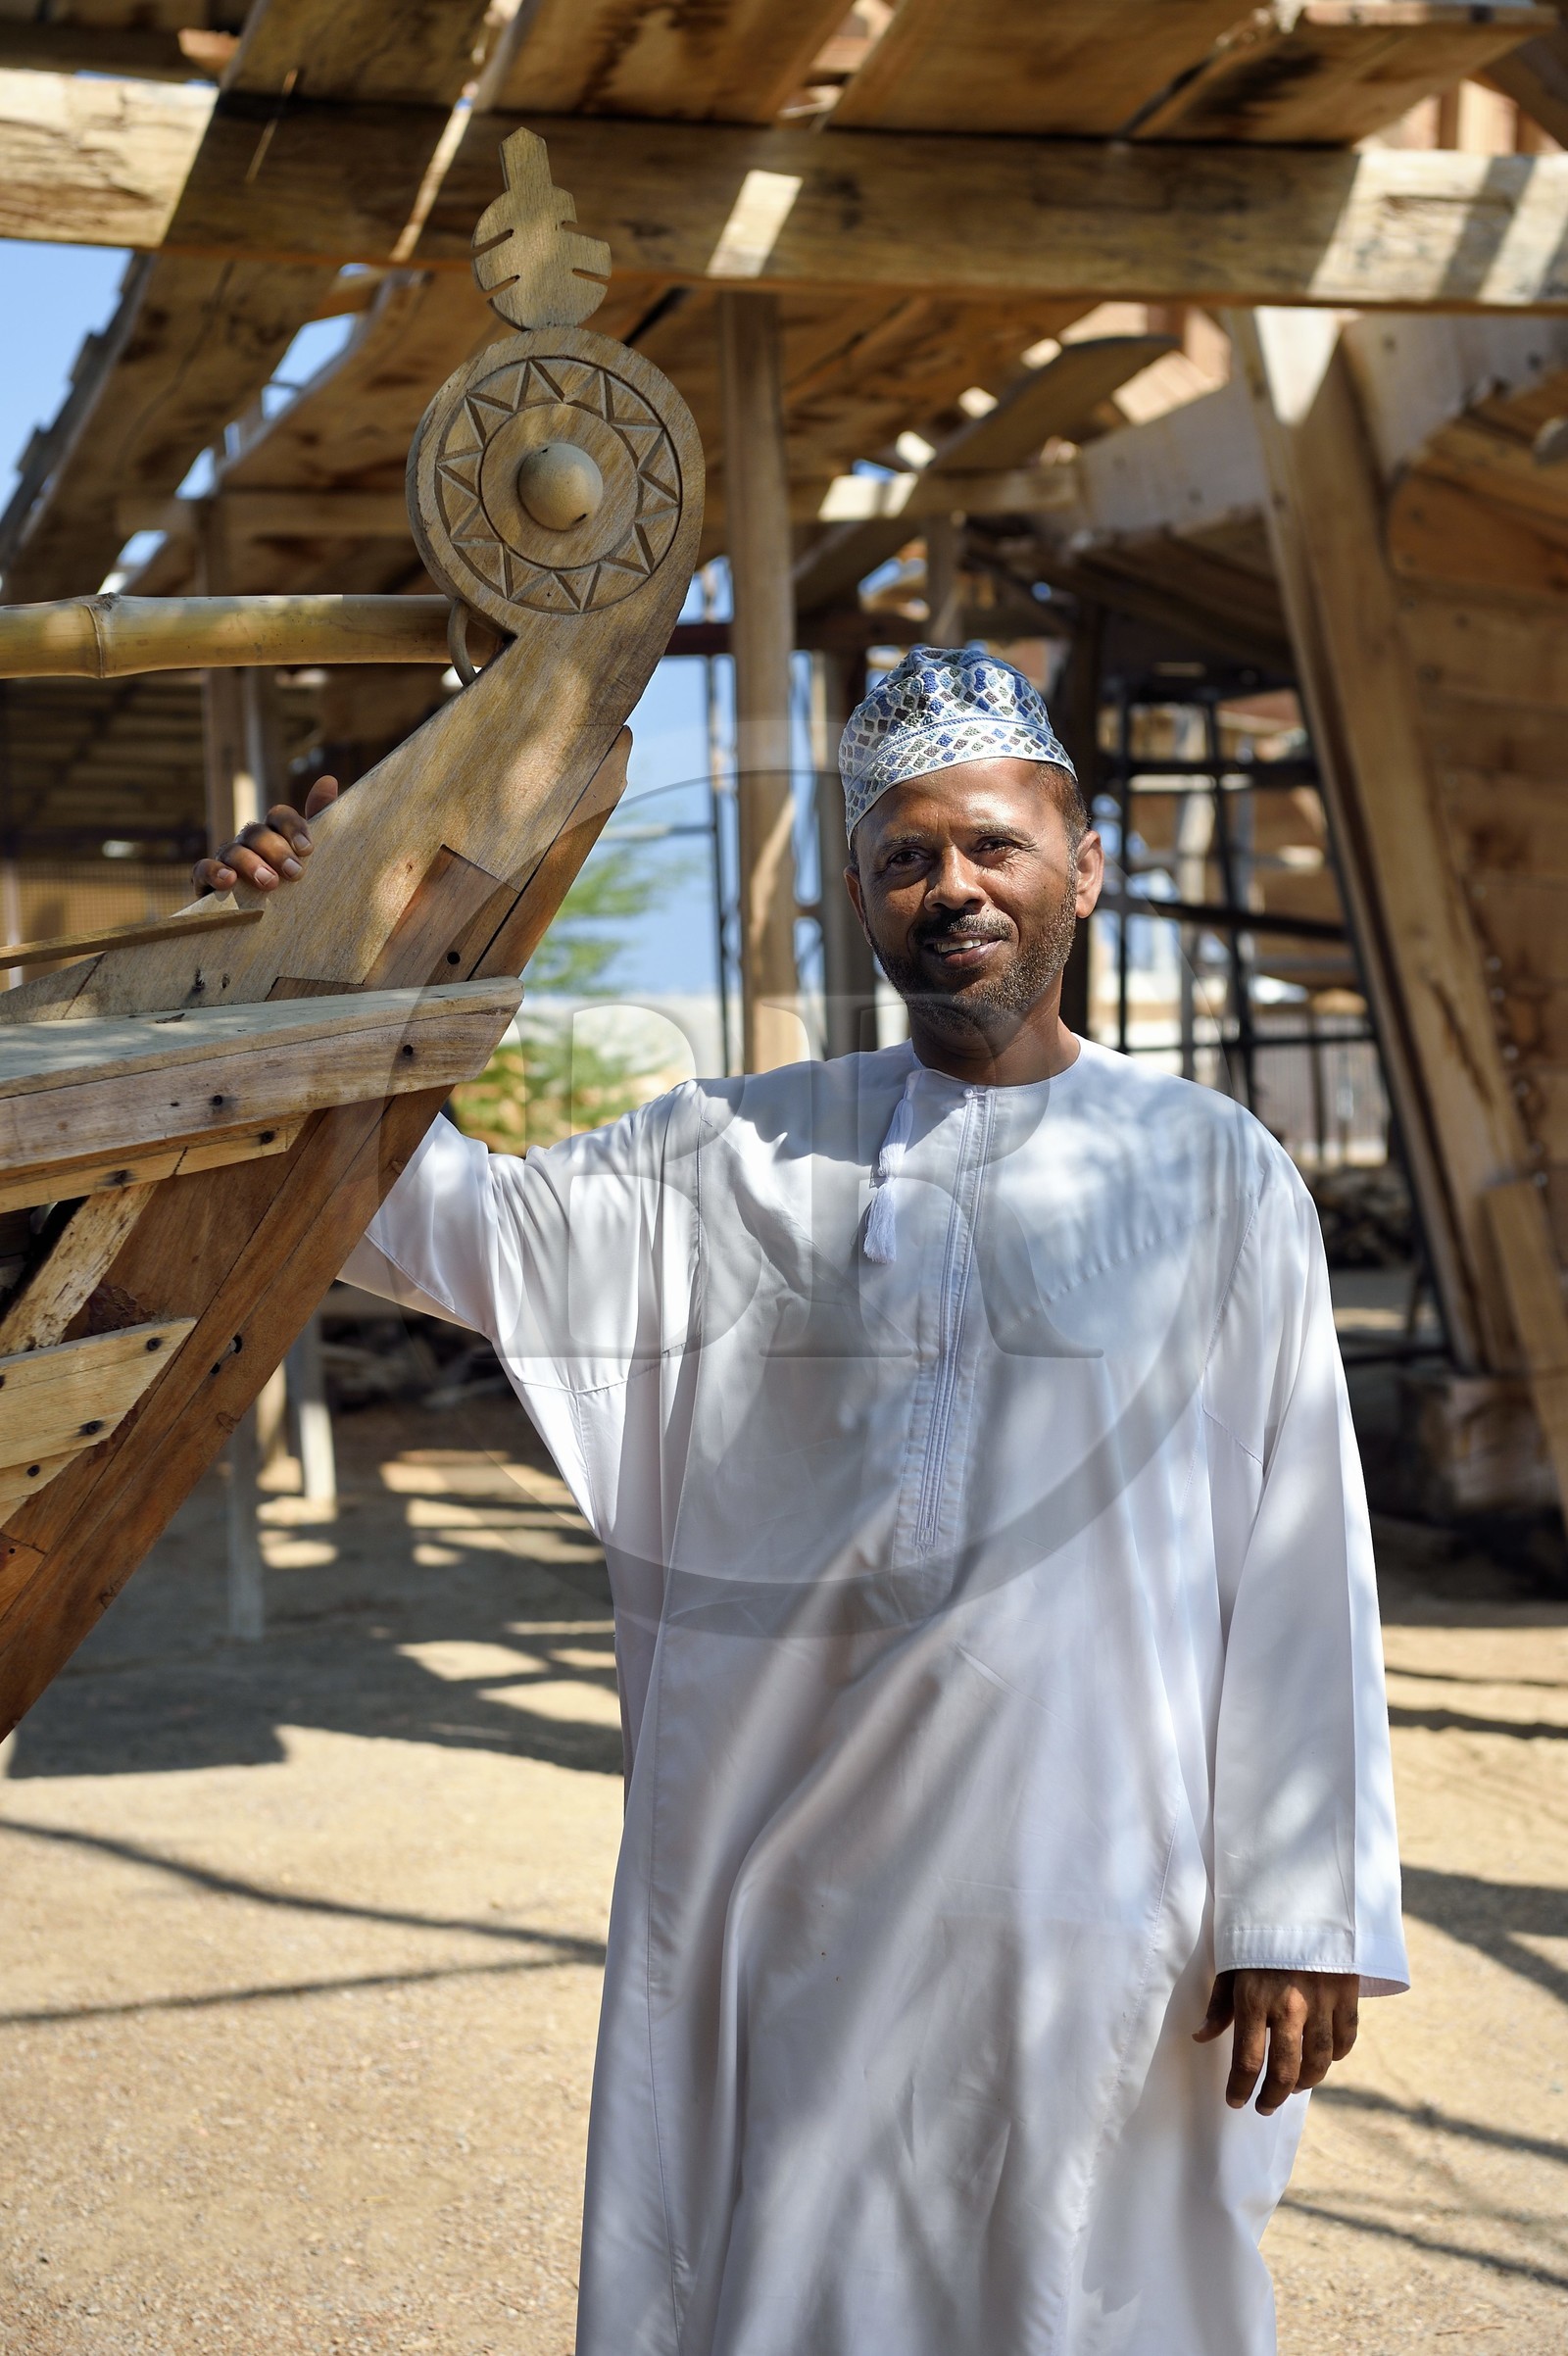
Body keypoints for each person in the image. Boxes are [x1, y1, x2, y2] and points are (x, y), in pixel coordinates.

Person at [199, 646, 1406, 2356]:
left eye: (993, 845)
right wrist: (290, 968)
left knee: (1099, 2297)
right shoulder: (733, 1156)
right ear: (860, 895)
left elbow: (1301, 1550)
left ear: (1085, 863)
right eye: (906, 858)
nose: (953, 888)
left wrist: (1301, 1904)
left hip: (1106, 1901)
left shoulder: (1214, 1167)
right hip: (803, 1909)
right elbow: (434, 1228)